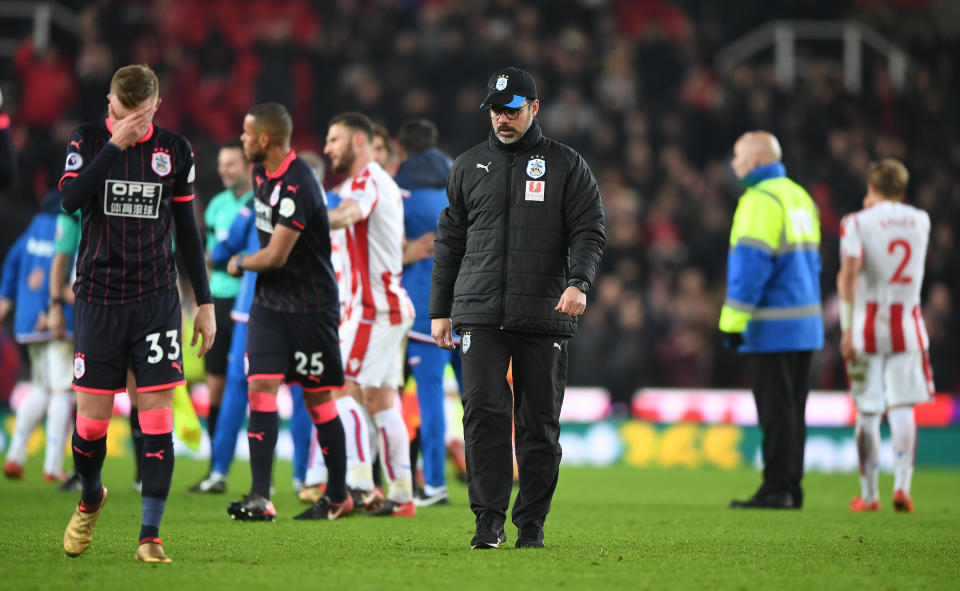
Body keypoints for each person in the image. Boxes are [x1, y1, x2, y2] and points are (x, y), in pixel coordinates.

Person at [430, 67, 605, 549]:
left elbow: (590, 230)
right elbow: (449, 243)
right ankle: (488, 522)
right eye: (495, 110)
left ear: (534, 108)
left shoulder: (567, 165)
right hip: (479, 314)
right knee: (483, 415)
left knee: (539, 425)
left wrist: (579, 282)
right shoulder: (467, 166)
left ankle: (531, 524)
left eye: (511, 110)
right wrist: (439, 310)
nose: (501, 119)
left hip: (544, 313)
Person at [58, 64, 216, 563]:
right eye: (118, 113)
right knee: (91, 429)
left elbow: (187, 231)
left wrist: (205, 303)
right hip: (99, 298)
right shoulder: (86, 139)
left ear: (155, 108)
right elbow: (70, 200)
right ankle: (90, 496)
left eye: (137, 116)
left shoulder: (176, 150)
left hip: (155, 301)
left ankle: (151, 535)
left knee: (157, 419)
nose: (125, 121)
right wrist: (114, 146)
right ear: (109, 102)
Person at [225, 102, 351, 522]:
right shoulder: (262, 173)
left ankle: (337, 495)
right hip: (269, 305)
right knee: (260, 386)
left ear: (265, 139)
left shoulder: (299, 183)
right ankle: (261, 495)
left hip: (311, 307)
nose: (242, 140)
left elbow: (276, 255)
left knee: (318, 401)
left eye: (246, 134)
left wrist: (240, 262)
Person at [719, 131, 823, 510]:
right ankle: (791, 487)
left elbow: (751, 268)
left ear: (758, 160)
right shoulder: (798, 196)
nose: (733, 165)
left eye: (738, 157)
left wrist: (732, 321)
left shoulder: (759, 200)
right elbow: (813, 262)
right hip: (805, 324)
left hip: (772, 326)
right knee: (794, 411)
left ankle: (776, 489)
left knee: (776, 411)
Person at [324, 111, 416, 517]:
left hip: (372, 309)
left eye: (334, 139)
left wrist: (304, 219)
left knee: (339, 386)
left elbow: (348, 215)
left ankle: (361, 486)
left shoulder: (367, 182)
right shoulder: (370, 182)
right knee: (380, 399)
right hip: (375, 305)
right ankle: (401, 494)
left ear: (357, 142)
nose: (327, 148)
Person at [838, 159, 932, 513]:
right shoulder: (921, 220)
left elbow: (849, 274)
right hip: (908, 325)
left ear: (871, 187)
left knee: (868, 412)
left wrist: (847, 327)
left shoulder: (856, 222)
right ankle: (903, 487)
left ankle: (869, 494)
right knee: (903, 406)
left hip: (867, 326)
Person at [394, 118, 454, 506]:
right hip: (471, 305)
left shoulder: (399, 195)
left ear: (402, 149)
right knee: (482, 398)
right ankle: (493, 480)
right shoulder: (463, 186)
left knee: (429, 397)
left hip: (425, 309)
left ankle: (434, 482)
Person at [189, 139, 253, 490]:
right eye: (222, 164)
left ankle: (262, 474)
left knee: (255, 385)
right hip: (219, 302)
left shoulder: (260, 202)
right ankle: (217, 468)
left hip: (251, 305)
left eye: (232, 163)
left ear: (248, 165)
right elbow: (211, 256)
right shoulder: (216, 206)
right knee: (216, 386)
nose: (225, 170)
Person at [1, 191, 75, 484]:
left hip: (26, 322)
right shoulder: (67, 229)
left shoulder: (29, 234)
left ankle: (15, 456)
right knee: (62, 392)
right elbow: (62, 269)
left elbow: (9, 269)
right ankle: (53, 465)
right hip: (57, 318)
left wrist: (8, 306)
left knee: (40, 388)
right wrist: (51, 307)